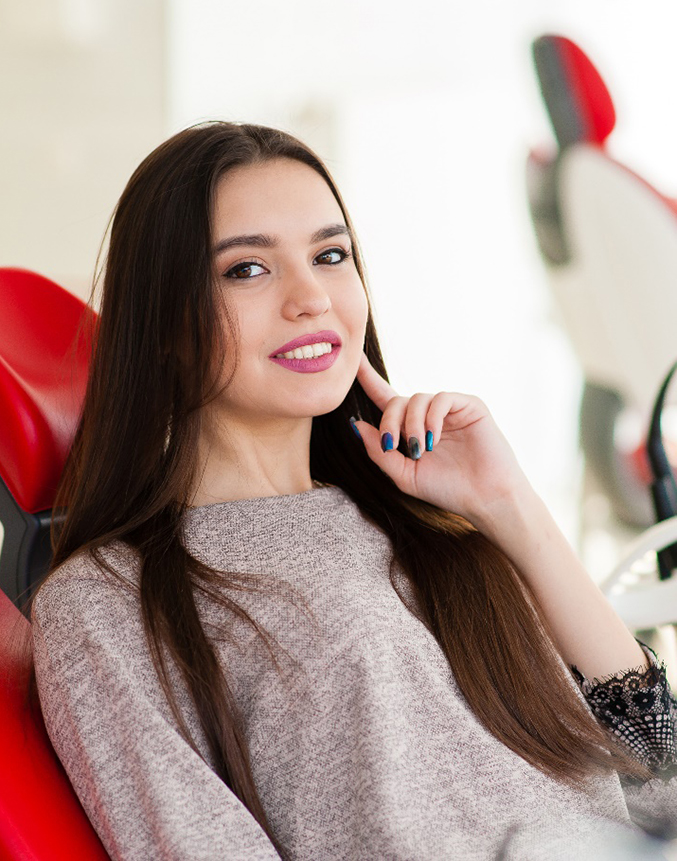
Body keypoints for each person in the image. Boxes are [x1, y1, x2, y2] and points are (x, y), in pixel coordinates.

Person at [31, 121, 677, 861]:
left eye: (330, 255)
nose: (312, 298)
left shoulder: (433, 523)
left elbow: (660, 777)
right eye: (246, 269)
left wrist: (514, 513)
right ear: (163, 324)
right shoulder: (108, 599)